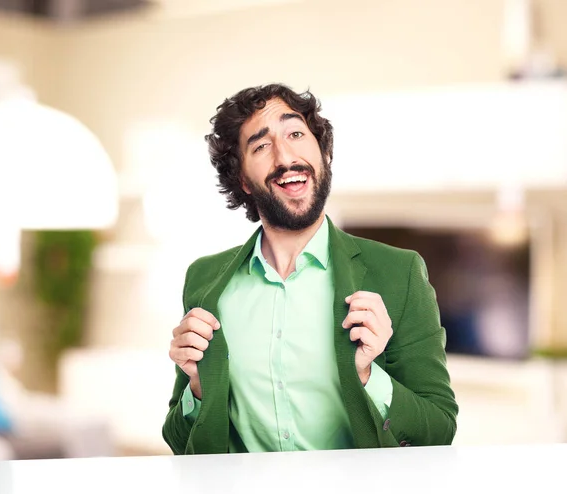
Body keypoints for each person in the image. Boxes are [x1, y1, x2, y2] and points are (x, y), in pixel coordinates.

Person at [162, 83, 458, 455]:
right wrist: (197, 387)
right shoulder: (205, 281)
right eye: (261, 145)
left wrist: (368, 375)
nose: (285, 157)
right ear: (242, 180)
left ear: (324, 154)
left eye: (296, 134)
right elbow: (178, 441)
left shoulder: (400, 273)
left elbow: (440, 431)